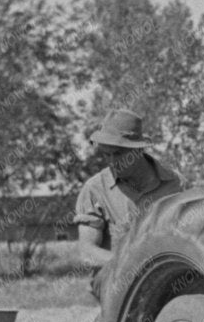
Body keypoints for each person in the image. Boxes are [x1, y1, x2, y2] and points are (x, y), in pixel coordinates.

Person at [72, 109, 185, 279]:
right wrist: (136, 265)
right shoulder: (94, 190)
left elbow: (189, 237)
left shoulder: (174, 184)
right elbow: (87, 253)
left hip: (169, 281)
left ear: (139, 150)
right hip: (116, 286)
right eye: (106, 154)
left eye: (118, 154)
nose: (112, 161)